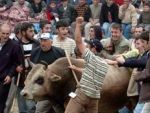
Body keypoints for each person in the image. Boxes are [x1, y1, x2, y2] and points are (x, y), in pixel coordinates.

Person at [64, 17, 108, 113]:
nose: (87, 47)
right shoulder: (104, 64)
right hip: (94, 99)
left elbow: (78, 40)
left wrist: (78, 24)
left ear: (94, 49)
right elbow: (89, 71)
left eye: (89, 45)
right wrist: (76, 68)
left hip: (82, 94)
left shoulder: (90, 57)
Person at [31, 33, 66, 113]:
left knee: (60, 110)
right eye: (41, 40)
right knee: (40, 110)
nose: (42, 43)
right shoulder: (35, 52)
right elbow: (33, 70)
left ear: (51, 41)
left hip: (57, 88)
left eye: (45, 40)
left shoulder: (60, 52)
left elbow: (64, 69)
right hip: (43, 88)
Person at [0, 23, 21, 113]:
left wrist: (10, 75)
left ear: (10, 33)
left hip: (4, 78)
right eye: (3, 33)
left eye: (7, 34)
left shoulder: (14, 45)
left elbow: (16, 63)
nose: (5, 36)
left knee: (1, 101)